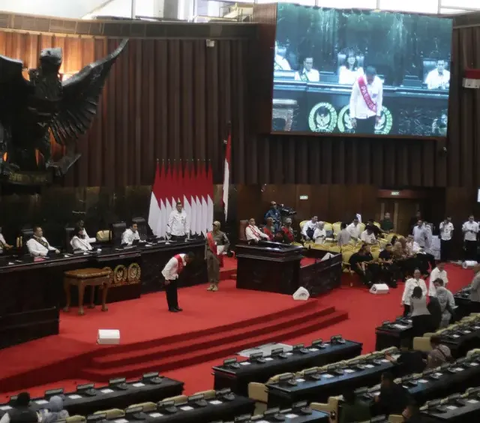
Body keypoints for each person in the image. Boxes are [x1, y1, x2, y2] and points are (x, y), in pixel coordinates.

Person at [349, 66, 383, 134]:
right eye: (368, 79)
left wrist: (378, 115)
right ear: (365, 75)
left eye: (372, 79)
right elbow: (353, 100)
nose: (370, 81)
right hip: (359, 116)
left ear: (374, 76)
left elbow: (379, 99)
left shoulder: (378, 82)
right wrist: (352, 117)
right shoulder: (359, 82)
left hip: (372, 115)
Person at [205, 221, 230, 292]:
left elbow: (227, 242)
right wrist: (205, 254)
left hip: (216, 253)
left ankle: (216, 284)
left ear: (218, 226)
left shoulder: (222, 234)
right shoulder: (209, 234)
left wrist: (223, 250)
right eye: (213, 225)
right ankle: (211, 283)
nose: (214, 227)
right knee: (209, 269)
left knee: (216, 269)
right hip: (209, 252)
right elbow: (206, 244)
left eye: (215, 225)